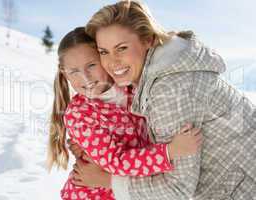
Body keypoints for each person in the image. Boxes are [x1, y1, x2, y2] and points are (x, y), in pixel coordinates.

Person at [69, 1, 256, 200]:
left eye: (121, 48)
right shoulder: (160, 71)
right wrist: (91, 141)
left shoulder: (169, 90)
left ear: (147, 39)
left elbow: (177, 190)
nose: (112, 62)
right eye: (104, 52)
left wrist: (108, 181)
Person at [47, 27, 203, 200]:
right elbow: (116, 161)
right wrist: (169, 151)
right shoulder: (79, 113)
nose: (85, 77)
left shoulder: (129, 86)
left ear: (105, 58)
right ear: (64, 73)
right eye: (74, 71)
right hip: (95, 195)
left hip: (133, 191)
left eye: (91, 65)